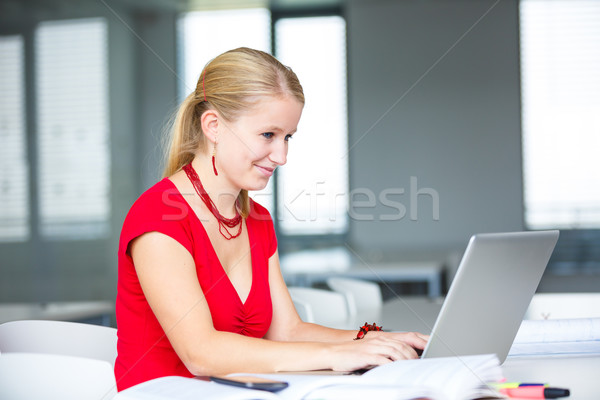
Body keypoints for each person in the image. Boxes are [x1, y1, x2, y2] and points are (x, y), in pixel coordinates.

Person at [114, 47, 428, 391]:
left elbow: (287, 331)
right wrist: (337, 355)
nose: (282, 156)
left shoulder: (256, 219)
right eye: (268, 135)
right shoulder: (158, 217)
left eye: (287, 137)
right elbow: (200, 354)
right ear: (214, 126)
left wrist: (381, 341)